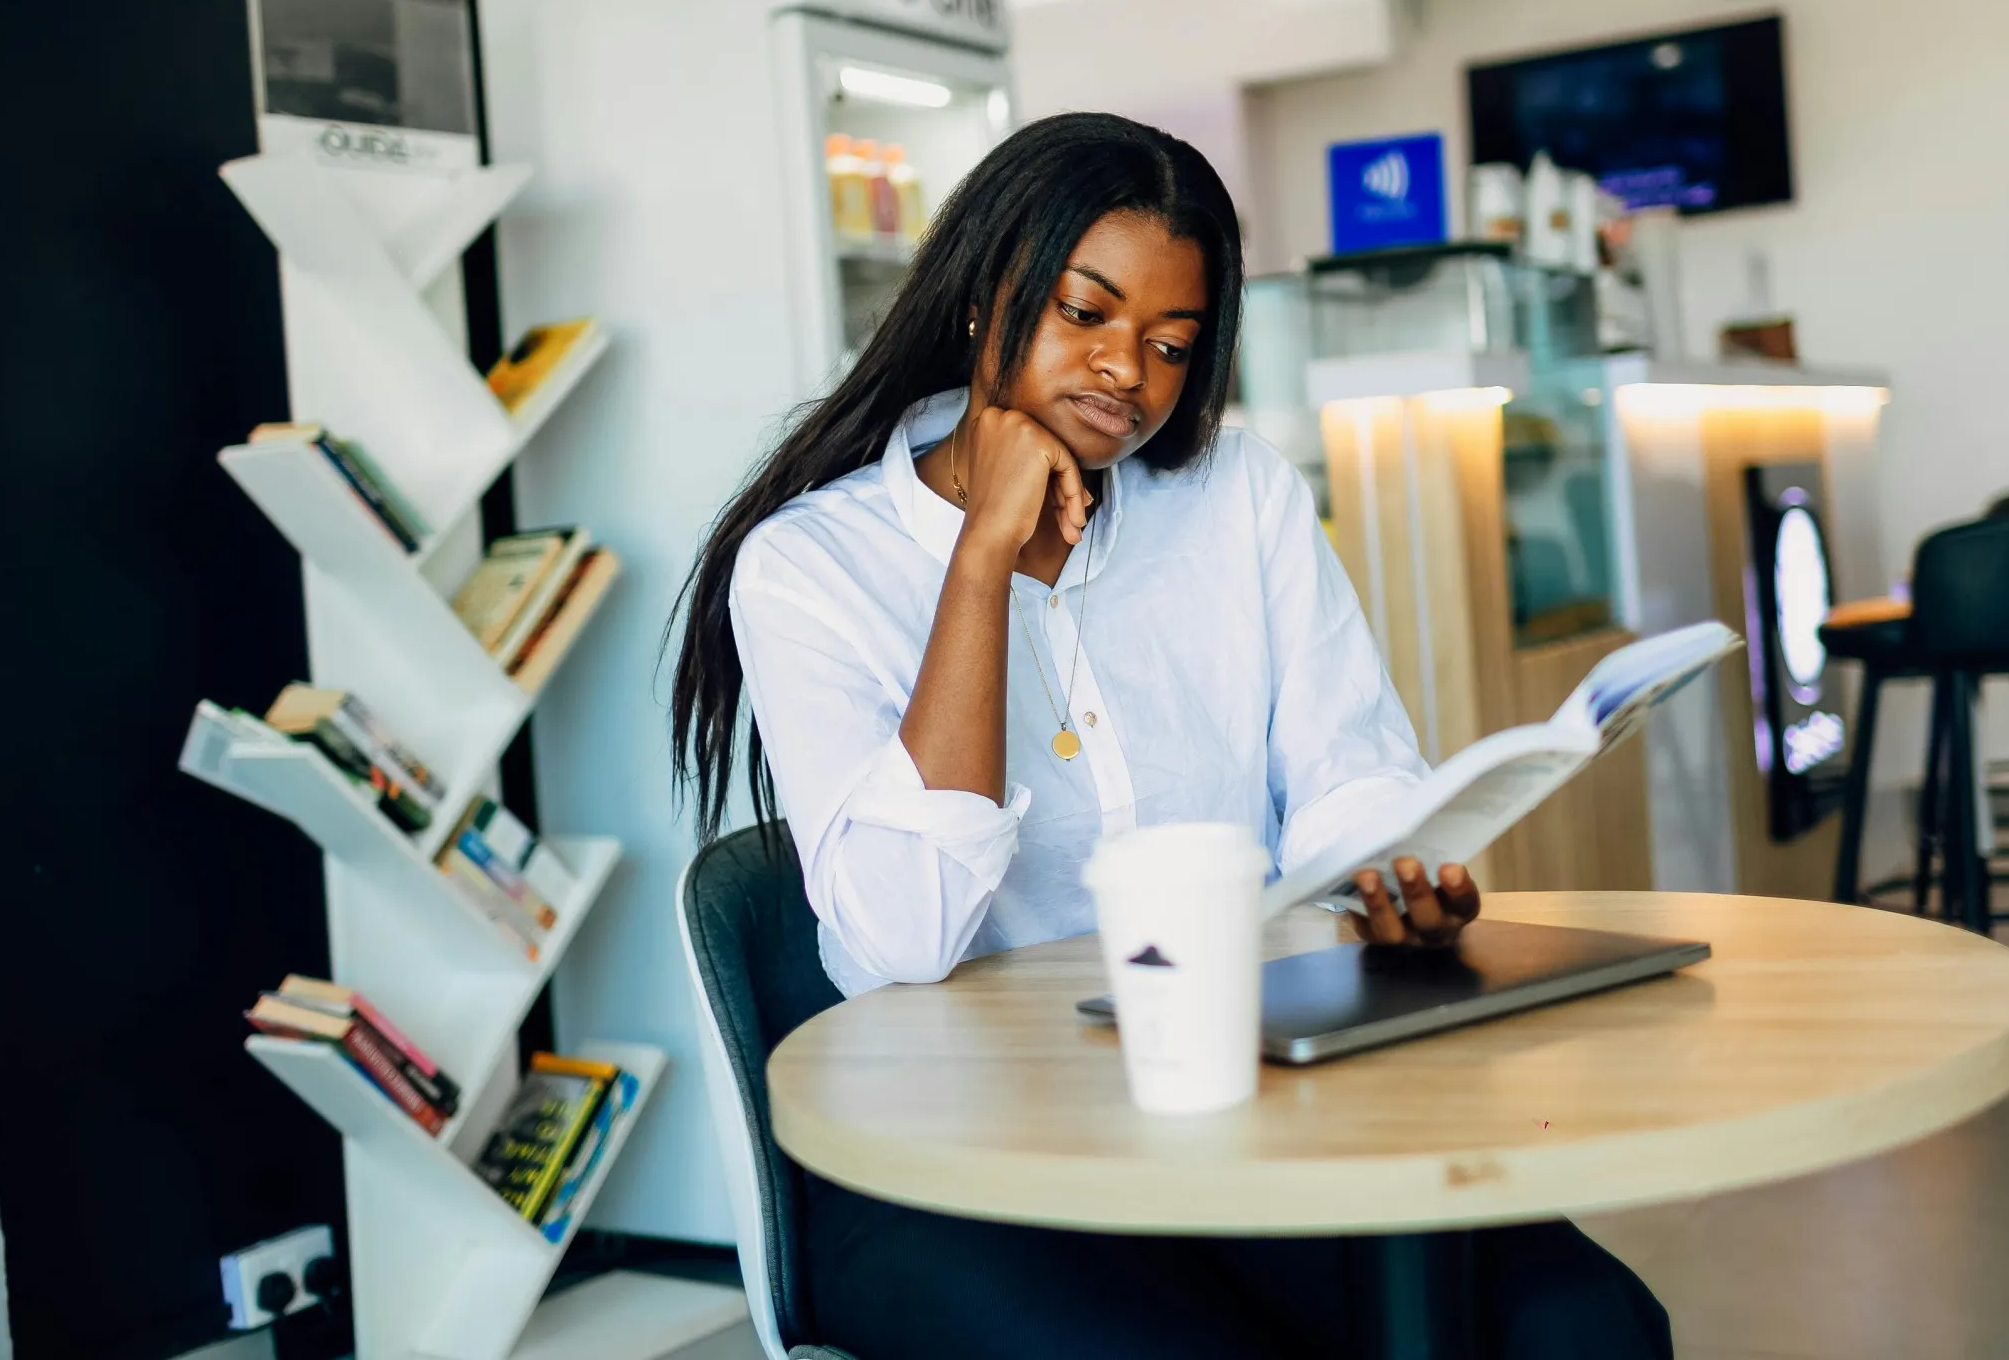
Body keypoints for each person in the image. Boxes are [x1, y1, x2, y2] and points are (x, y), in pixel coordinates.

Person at [669, 112, 1671, 1360]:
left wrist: (1390, 870)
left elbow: (1348, 764)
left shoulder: (1235, 494)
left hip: (1241, 1090)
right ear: (988, 299)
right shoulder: (811, 566)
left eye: (1170, 343)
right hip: (960, 1154)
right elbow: (902, 934)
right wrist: (982, 560)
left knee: (1583, 1326)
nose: (1126, 375)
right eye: (1084, 315)